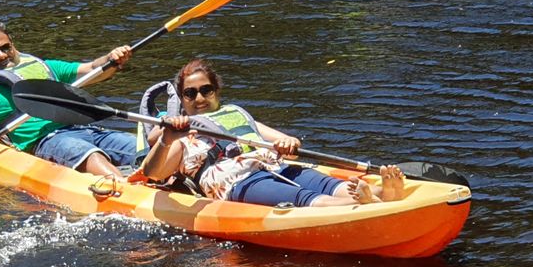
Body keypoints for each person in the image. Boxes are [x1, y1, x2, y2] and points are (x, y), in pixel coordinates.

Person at [141, 58, 405, 207]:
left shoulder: (235, 112)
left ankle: (382, 196)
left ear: (216, 92)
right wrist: (167, 138)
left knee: (329, 184)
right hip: (240, 181)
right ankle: (367, 204)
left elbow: (282, 139)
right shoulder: (181, 133)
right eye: (190, 93)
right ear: (183, 100)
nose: (199, 97)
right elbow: (153, 173)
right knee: (306, 199)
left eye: (206, 90)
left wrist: (287, 142)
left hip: (274, 165)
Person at [0, 22, 137, 178]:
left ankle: (160, 181)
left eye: (5, 47)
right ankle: (121, 188)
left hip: (83, 129)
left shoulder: (46, 68)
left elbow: (93, 69)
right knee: (90, 155)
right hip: (46, 141)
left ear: (13, 45)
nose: (2, 55)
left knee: (136, 145)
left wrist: (112, 59)